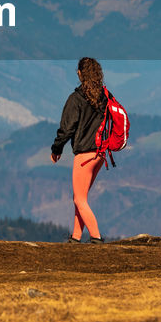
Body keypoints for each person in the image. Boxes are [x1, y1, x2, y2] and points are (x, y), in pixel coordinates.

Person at [50, 57, 109, 244]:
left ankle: (96, 237)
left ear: (79, 74)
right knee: (80, 196)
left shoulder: (76, 99)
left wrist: (56, 148)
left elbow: (67, 128)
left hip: (84, 154)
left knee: (79, 200)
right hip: (100, 154)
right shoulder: (104, 96)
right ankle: (75, 237)